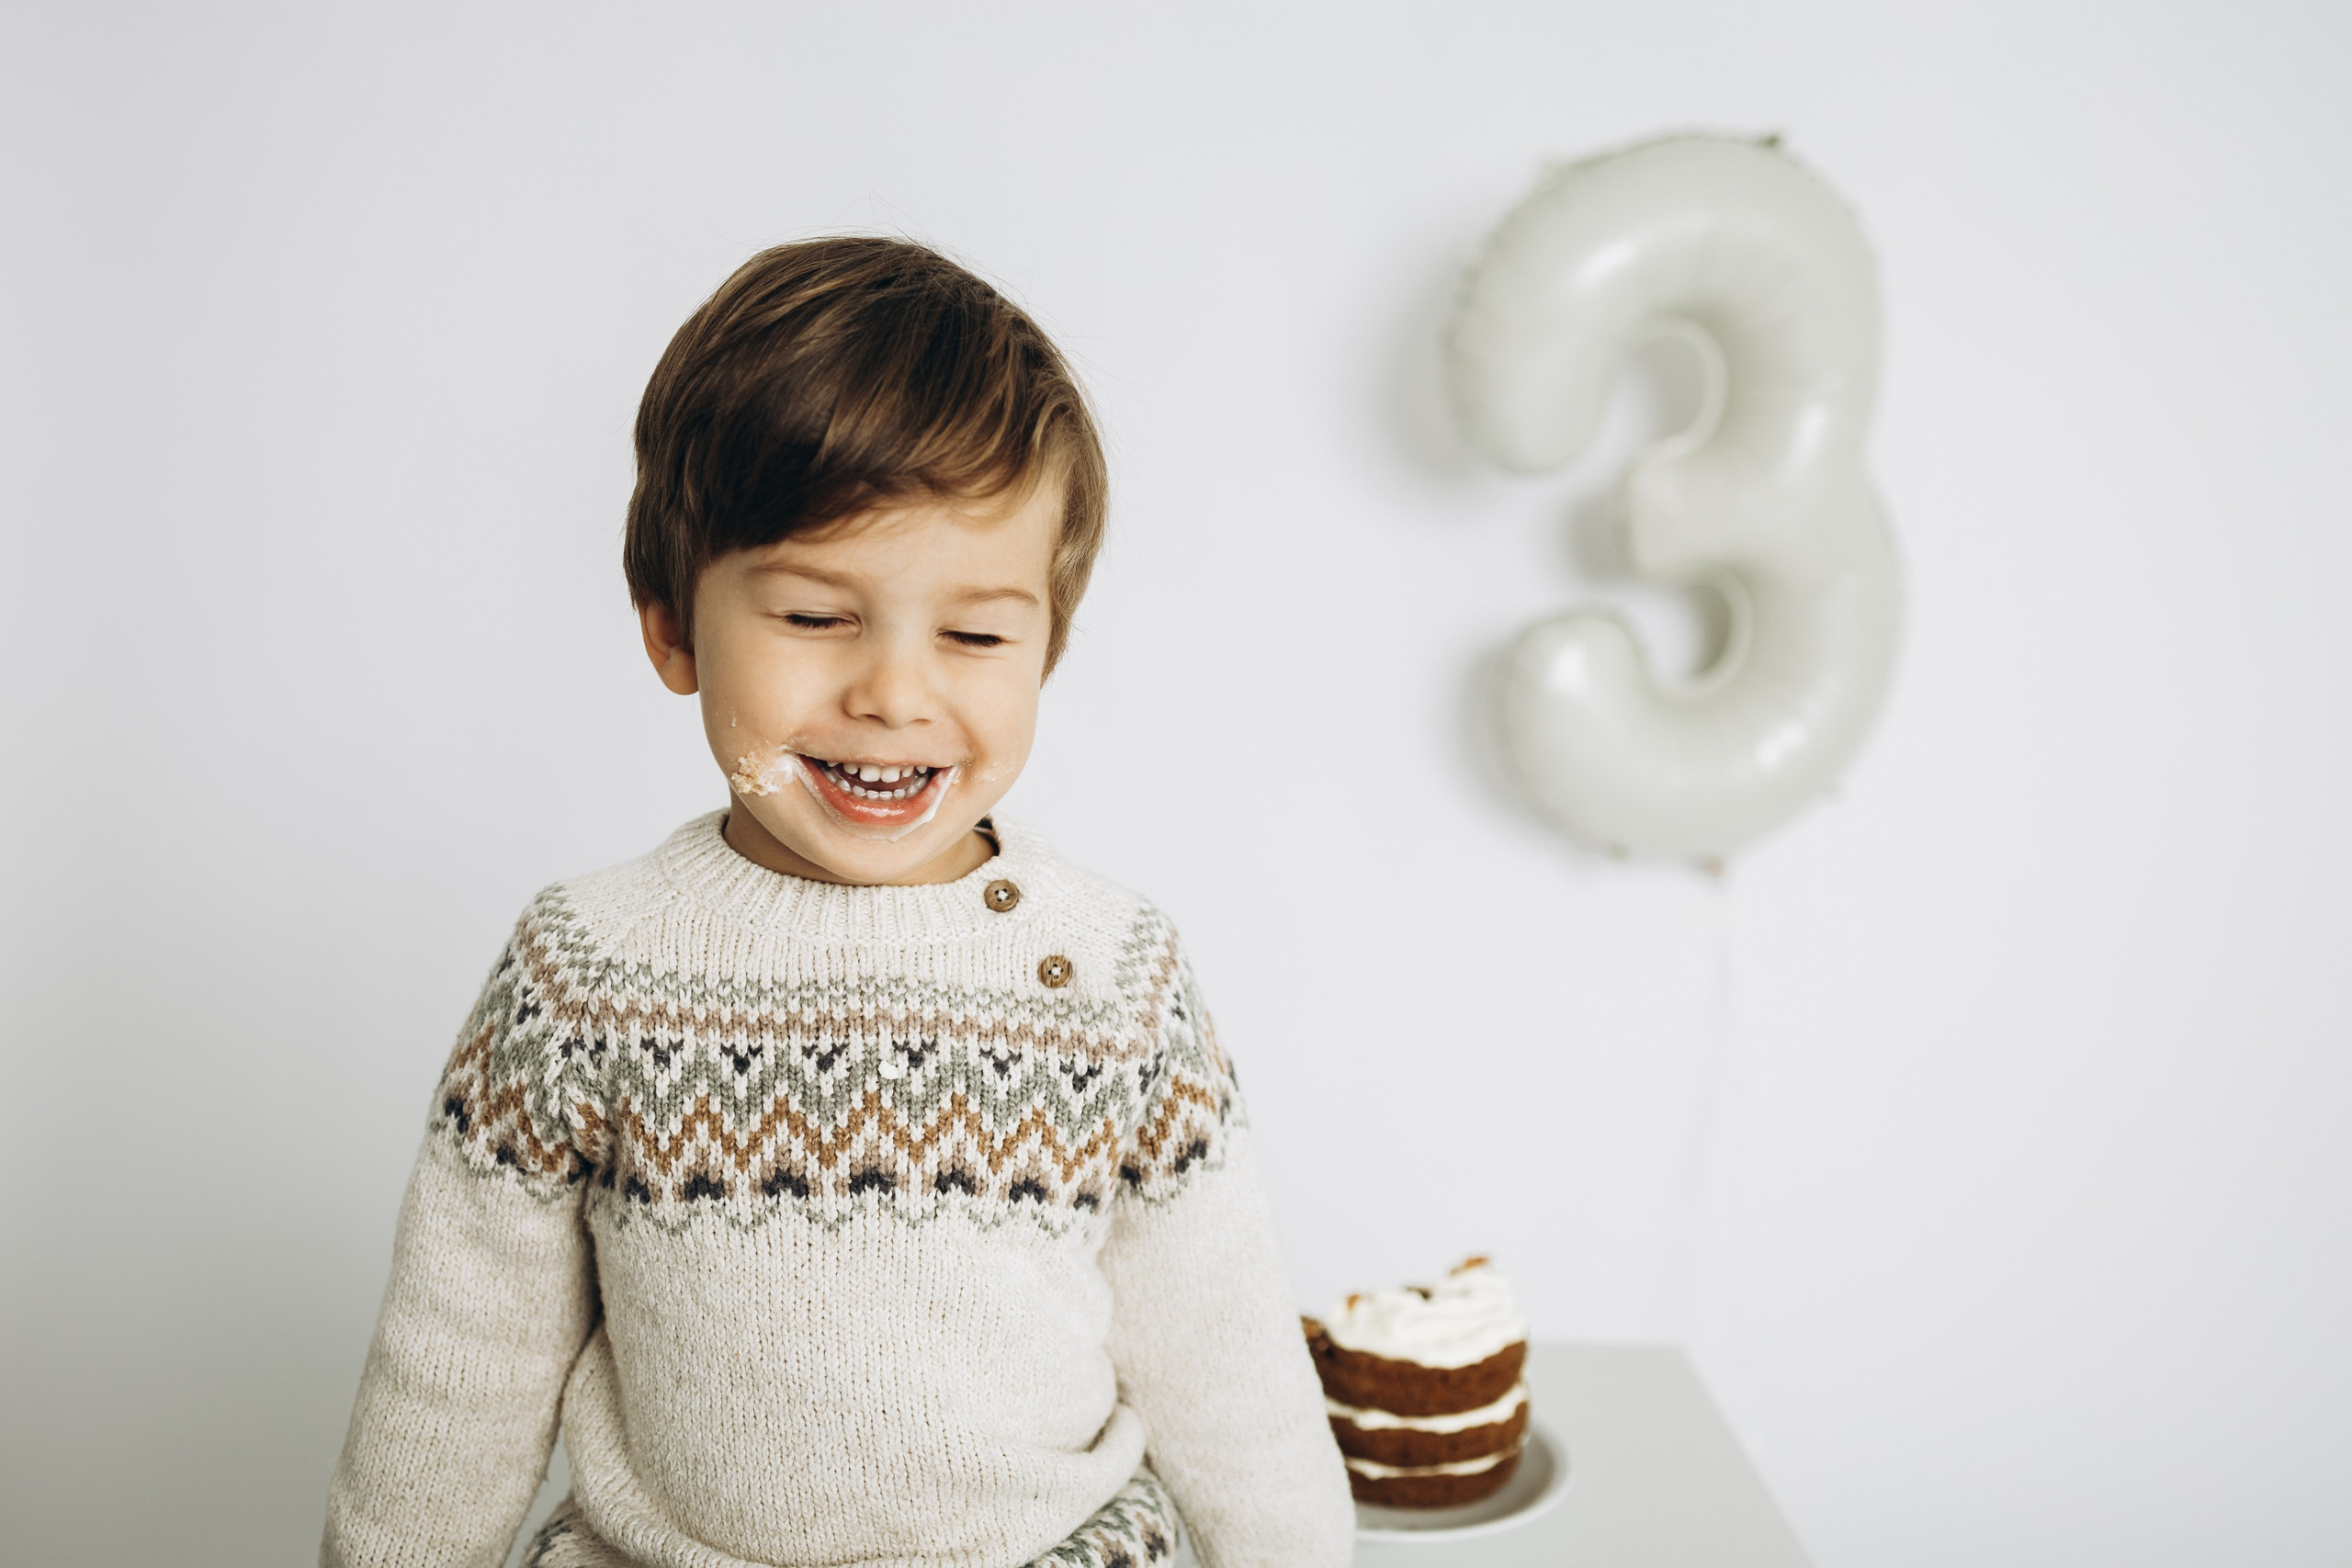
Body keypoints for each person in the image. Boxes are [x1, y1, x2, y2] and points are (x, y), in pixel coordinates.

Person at [320, 238, 1355, 1568]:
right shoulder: (587, 974)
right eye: (816, 615)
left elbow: (1233, 1378)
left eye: (976, 636)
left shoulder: (1110, 975)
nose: (895, 694)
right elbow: (453, 1375)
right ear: (674, 628)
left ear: (1051, 640)